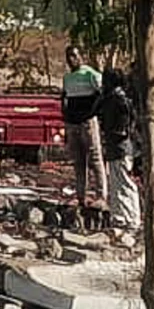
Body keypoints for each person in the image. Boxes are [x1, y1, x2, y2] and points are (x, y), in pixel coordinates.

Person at [63, 46, 107, 207]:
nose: (71, 59)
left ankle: (102, 195)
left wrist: (92, 114)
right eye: (68, 56)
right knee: (78, 161)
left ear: (82, 56)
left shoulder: (91, 74)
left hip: (87, 122)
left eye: (74, 55)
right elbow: (65, 98)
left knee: (95, 158)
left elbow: (102, 95)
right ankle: (81, 196)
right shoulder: (67, 78)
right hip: (72, 123)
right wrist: (66, 118)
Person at [98, 69, 141, 230]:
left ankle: (132, 218)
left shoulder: (119, 100)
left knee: (124, 182)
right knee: (116, 183)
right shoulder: (112, 99)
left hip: (121, 147)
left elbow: (125, 126)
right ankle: (120, 217)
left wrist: (118, 134)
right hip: (116, 147)